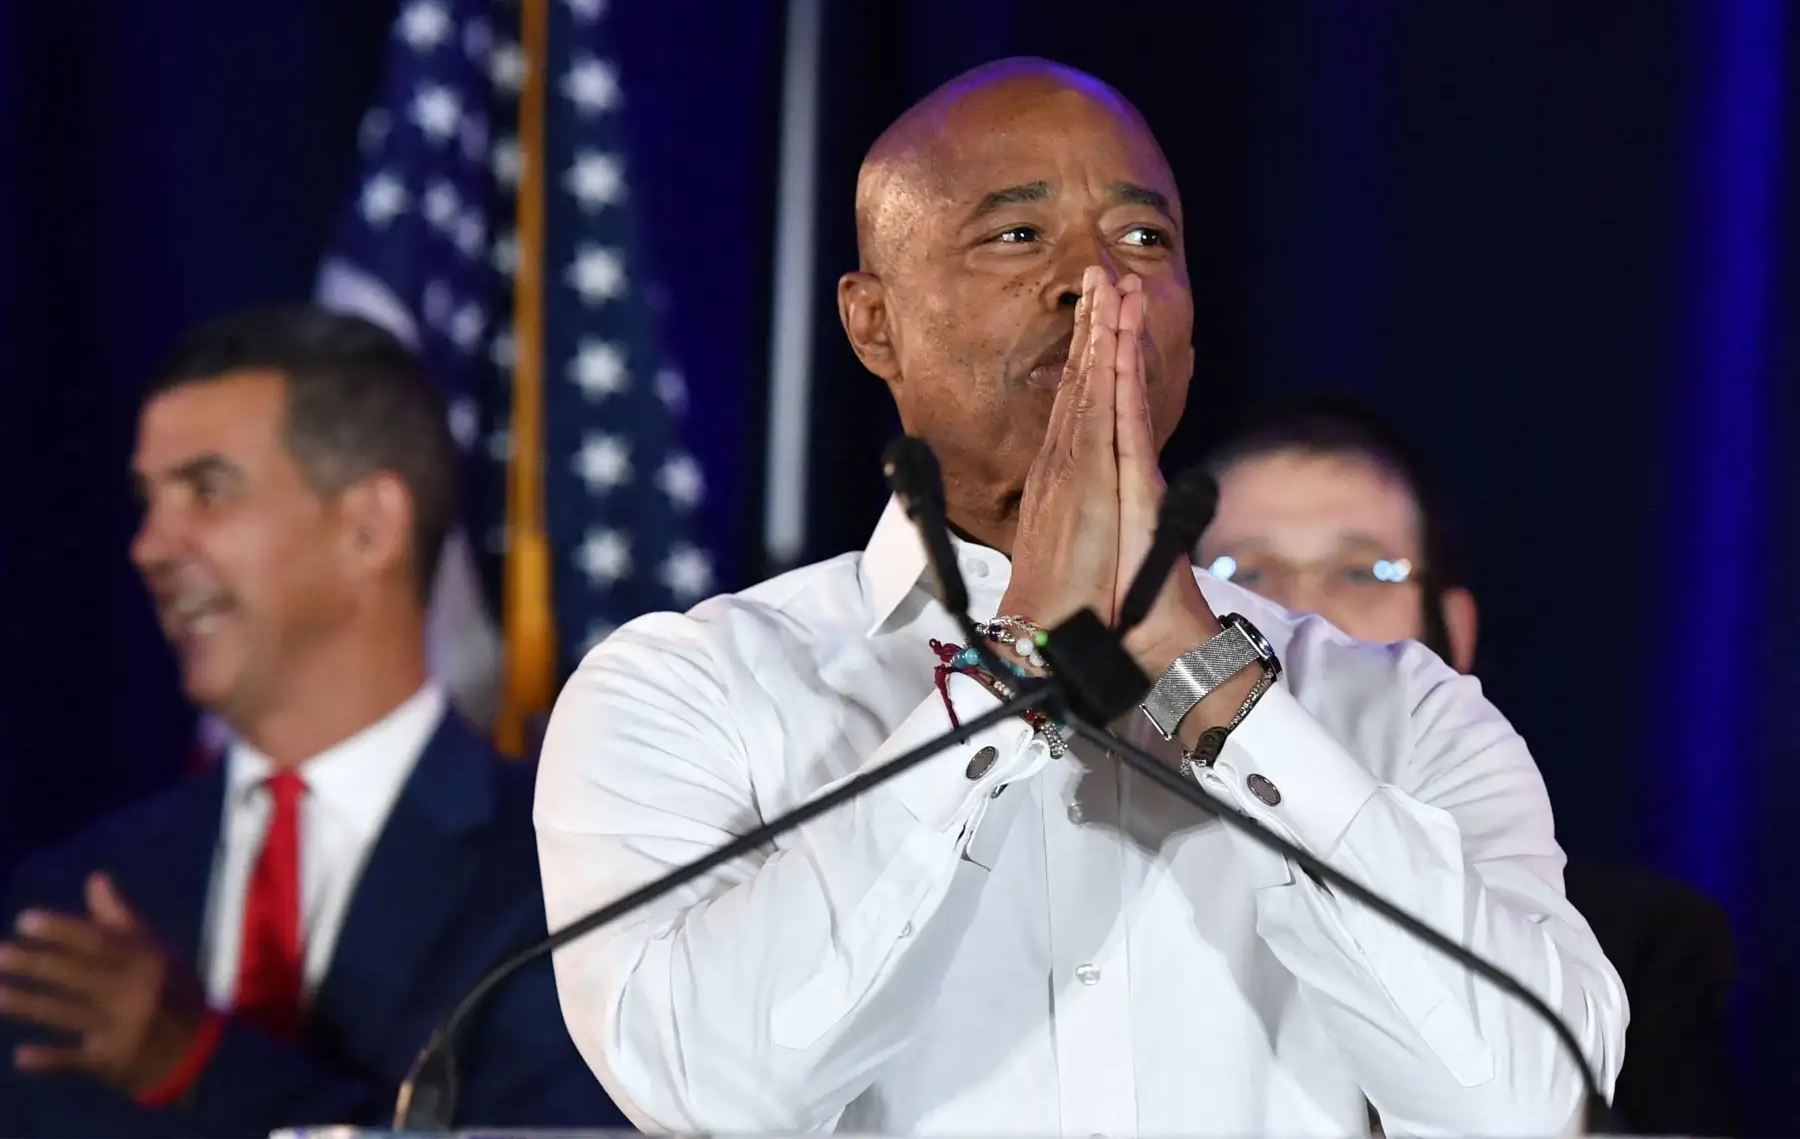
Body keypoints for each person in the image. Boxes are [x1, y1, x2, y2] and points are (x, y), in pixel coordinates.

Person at [535, 59, 1627, 1137]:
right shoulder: (691, 691)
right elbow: (714, 1094)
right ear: (874, 324)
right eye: (1017, 236)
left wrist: (1219, 692)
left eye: (1144, 240)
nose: (1098, 285)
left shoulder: (1400, 715)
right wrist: (1012, 665)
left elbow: (1533, 1105)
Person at [0, 307, 626, 1136]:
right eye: (148, 501)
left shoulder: (565, 879)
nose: (148, 547)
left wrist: (203, 1066)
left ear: (369, 526)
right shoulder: (74, 906)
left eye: (207, 491)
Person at [1195, 393, 1740, 1137]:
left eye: (1360, 572)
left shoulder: (1636, 942)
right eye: (1244, 576)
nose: (1299, 615)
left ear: (1454, 631)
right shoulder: (1122, 875)